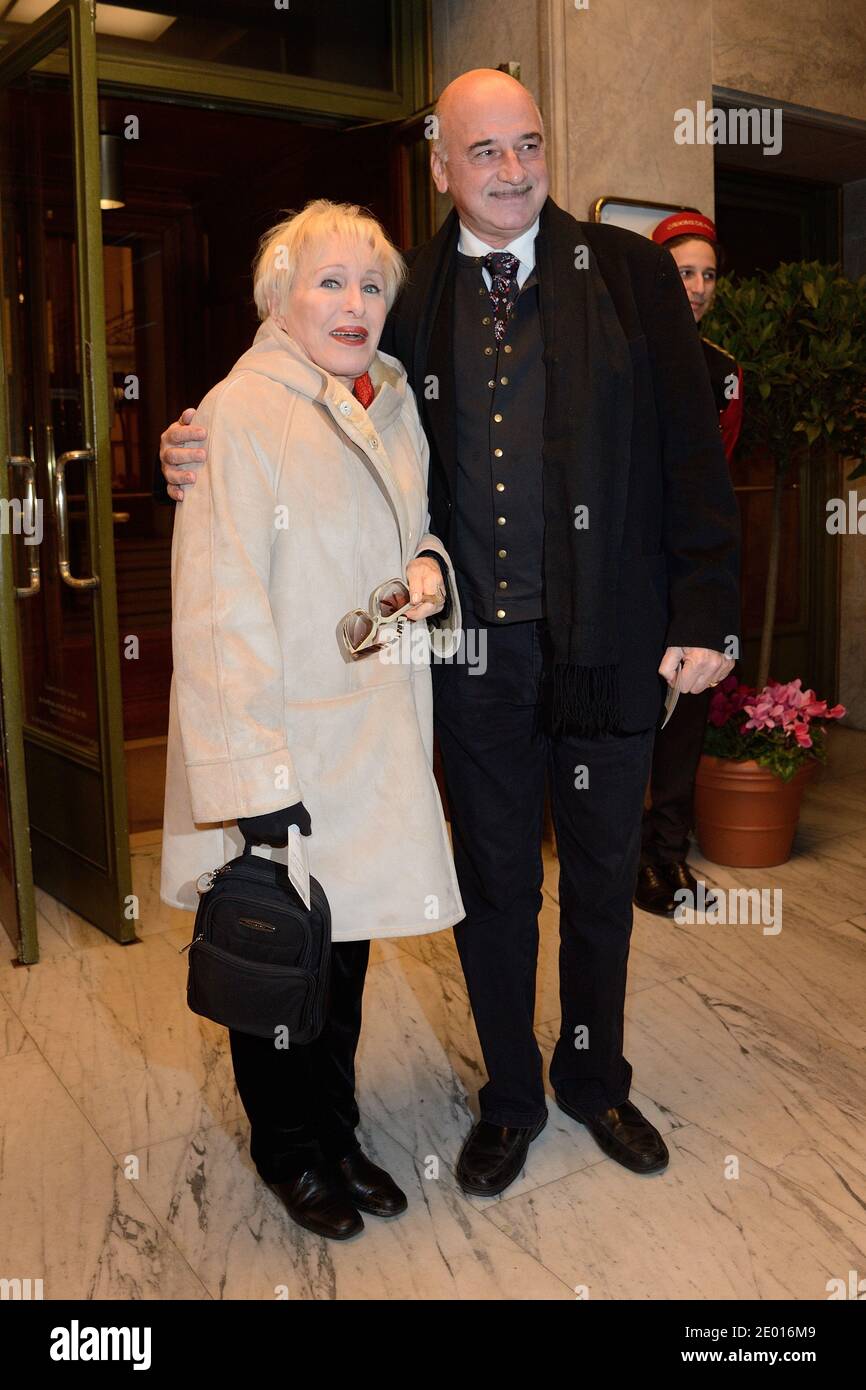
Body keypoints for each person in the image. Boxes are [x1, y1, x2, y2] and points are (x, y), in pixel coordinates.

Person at [160, 69, 740, 1198]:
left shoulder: (624, 276)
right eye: (484, 152)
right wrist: (192, 436)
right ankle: (511, 1098)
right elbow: (305, 394)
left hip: (609, 643)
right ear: (440, 167)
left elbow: (689, 456)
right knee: (493, 889)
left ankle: (594, 1081)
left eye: (527, 145)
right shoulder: (402, 290)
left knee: (601, 879)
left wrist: (707, 608)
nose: (513, 170)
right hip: (470, 660)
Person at [160, 199, 465, 1240]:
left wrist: (428, 566)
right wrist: (253, 783)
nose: (353, 303)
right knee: (279, 954)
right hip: (286, 748)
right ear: (277, 297)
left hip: (368, 741)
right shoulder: (236, 415)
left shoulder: (387, 406)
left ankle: (334, 1134)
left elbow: (417, 525)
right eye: (328, 282)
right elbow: (215, 608)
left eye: (371, 285)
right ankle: (288, 1152)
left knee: (342, 957)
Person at [635, 211, 744, 917]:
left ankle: (665, 857)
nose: (699, 286)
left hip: (692, 569)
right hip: (626, 565)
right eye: (684, 272)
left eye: (707, 274)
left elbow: (717, 476)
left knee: (686, 716)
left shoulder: (724, 372)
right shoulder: (619, 353)